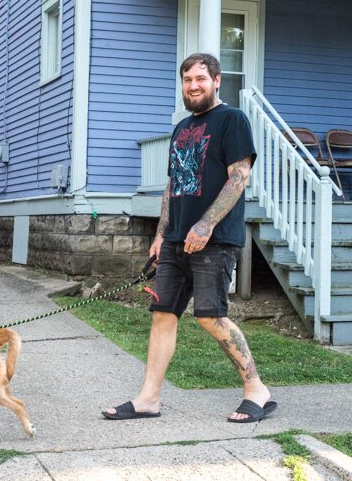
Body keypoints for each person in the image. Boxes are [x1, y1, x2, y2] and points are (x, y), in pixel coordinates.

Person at [102, 53, 276, 424]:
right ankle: (148, 399)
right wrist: (162, 233)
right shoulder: (181, 128)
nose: (193, 86)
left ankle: (256, 389)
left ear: (216, 81)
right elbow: (172, 184)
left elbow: (239, 177)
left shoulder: (232, 120)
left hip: (214, 239)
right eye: (187, 80)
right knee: (163, 315)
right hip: (176, 239)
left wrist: (206, 224)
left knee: (211, 317)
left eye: (200, 78)